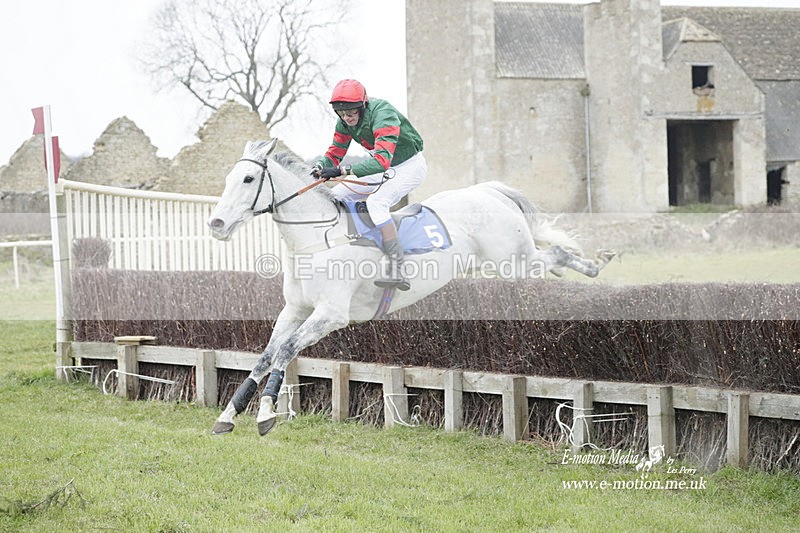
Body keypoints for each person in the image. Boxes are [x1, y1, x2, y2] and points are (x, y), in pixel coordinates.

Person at [312, 79, 426, 291]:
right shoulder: (344, 121)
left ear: (363, 106)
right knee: (335, 196)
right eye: (341, 114)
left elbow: (382, 161)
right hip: (383, 167)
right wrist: (319, 167)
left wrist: (342, 171)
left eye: (351, 113)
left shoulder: (384, 113)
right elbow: (335, 152)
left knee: (376, 202)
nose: (346, 118)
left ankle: (397, 266)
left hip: (408, 166)